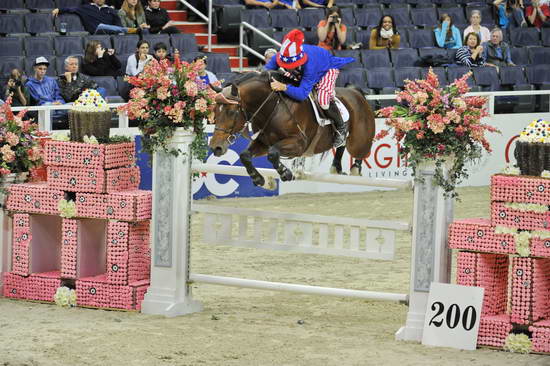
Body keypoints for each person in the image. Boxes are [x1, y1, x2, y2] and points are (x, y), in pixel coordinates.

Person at [265, 29, 354, 148]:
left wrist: (283, 87)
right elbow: (266, 71)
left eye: (291, 66)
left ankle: (341, 128)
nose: (288, 68)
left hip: (327, 69)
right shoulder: (282, 55)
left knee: (322, 100)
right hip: (305, 70)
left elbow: (302, 94)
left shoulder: (310, 65)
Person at [52, 0, 138, 35]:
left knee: (117, 29)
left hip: (110, 33)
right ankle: (129, 30)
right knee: (101, 26)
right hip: (95, 32)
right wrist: (59, 9)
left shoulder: (111, 10)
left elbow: (118, 23)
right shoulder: (85, 8)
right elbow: (71, 9)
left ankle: (129, 30)